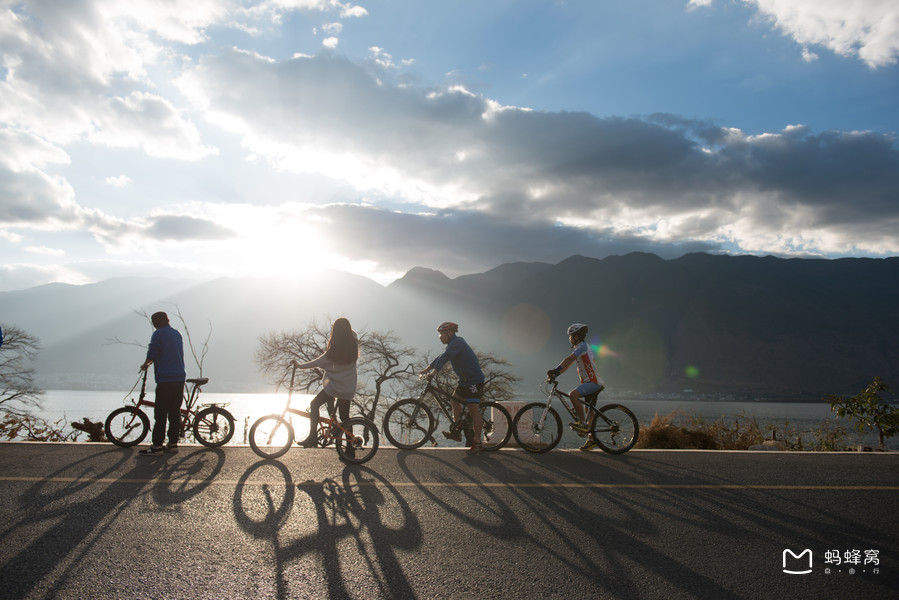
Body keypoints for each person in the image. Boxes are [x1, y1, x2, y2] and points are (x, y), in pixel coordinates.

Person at [290, 317, 358, 449]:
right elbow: (351, 333)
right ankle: (350, 449)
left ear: (336, 333)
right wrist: (345, 330)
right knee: (345, 418)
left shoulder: (332, 353)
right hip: (348, 389)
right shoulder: (354, 343)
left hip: (334, 388)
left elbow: (315, 363)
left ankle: (312, 438)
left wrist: (299, 366)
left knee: (314, 405)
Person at [419, 321, 486, 454]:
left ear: (449, 333)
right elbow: (441, 357)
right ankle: (457, 431)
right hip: (464, 381)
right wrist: (426, 369)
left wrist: (432, 373)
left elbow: (445, 357)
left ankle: (478, 442)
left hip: (474, 381)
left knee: (473, 411)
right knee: (454, 401)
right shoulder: (452, 344)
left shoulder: (458, 342)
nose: (440, 337)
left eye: (441, 334)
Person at [547, 323, 605, 451]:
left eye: (571, 336)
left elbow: (568, 359)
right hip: (591, 382)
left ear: (577, 336)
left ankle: (582, 424)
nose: (569, 338)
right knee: (588, 411)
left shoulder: (582, 346)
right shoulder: (581, 347)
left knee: (573, 395)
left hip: (593, 382)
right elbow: (568, 365)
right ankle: (591, 440)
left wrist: (555, 370)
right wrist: (556, 374)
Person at [139, 312, 186, 455]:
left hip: (166, 378)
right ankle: (173, 444)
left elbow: (153, 352)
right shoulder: (177, 333)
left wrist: (145, 364)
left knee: (160, 413)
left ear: (155, 323)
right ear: (168, 320)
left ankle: (157, 446)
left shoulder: (158, 334)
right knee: (174, 412)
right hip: (179, 377)